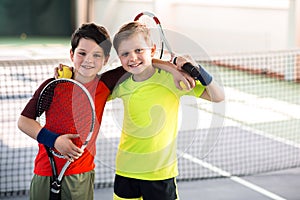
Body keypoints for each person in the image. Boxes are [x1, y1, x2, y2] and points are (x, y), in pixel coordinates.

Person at [17, 22, 193, 200]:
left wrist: (173, 67)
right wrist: (54, 141)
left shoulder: (106, 83)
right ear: (72, 54)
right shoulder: (52, 86)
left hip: (81, 175)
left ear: (106, 59)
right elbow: (24, 121)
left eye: (97, 55)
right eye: (82, 53)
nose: (89, 60)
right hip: (45, 171)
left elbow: (142, 61)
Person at [111, 21, 225, 200]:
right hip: (126, 171)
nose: (132, 58)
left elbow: (218, 96)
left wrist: (197, 69)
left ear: (153, 49)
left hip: (160, 174)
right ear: (119, 58)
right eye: (125, 54)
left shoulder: (173, 79)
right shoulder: (120, 84)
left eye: (139, 50)